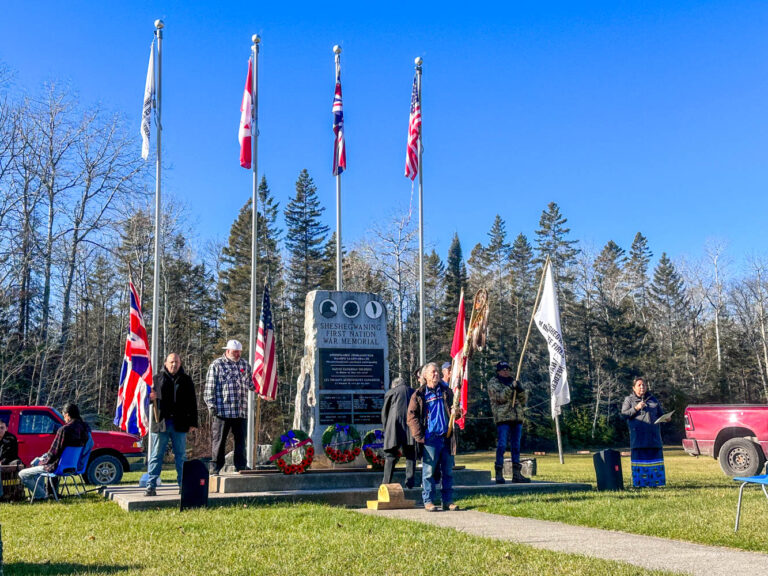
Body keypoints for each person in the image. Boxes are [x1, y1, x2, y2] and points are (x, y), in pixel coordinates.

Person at [145, 353, 199, 497]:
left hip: (180, 425)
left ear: (180, 363)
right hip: (160, 423)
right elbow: (146, 401)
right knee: (156, 455)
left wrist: (193, 422)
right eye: (171, 362)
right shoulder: (156, 379)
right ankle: (150, 485)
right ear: (165, 363)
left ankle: (183, 485)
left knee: (181, 456)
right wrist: (150, 398)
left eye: (176, 362)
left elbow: (192, 402)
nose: (173, 365)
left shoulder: (186, 380)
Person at [407, 362, 459, 512]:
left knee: (448, 472)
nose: (436, 374)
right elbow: (411, 416)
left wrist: (457, 412)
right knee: (428, 472)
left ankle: (447, 501)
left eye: (437, 371)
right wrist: (419, 436)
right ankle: (428, 501)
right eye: (432, 372)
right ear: (425, 376)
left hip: (446, 437)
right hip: (430, 439)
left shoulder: (446, 391)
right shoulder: (419, 394)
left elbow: (454, 412)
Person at [18, 403, 90, 500]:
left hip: (56, 467)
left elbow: (53, 453)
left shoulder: (64, 430)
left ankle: (41, 495)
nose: (64, 418)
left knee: (22, 474)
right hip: (72, 466)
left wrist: (41, 462)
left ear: (67, 415)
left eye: (63, 415)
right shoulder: (84, 429)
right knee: (38, 463)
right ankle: (45, 494)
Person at [205, 339, 254, 474]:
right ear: (227, 351)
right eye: (235, 352)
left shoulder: (245, 365)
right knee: (219, 441)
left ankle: (241, 466)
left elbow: (252, 384)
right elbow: (209, 388)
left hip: (240, 411)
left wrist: (263, 385)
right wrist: (211, 405)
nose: (237, 354)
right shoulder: (217, 365)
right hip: (222, 411)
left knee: (240, 441)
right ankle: (215, 467)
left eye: (239, 352)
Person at [488, 360, 529, 484]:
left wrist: (521, 390)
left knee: (516, 446)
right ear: (498, 371)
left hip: (516, 417)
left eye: (507, 369)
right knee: (502, 445)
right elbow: (499, 398)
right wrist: (510, 388)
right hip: (503, 418)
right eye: (503, 369)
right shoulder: (493, 383)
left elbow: (523, 401)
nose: (506, 371)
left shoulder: (514, 381)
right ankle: (499, 473)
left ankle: (516, 474)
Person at [621, 376, 666, 488]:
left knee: (654, 460)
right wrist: (636, 408)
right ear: (634, 388)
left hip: (653, 437)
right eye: (639, 385)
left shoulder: (653, 399)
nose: (642, 387)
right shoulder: (629, 400)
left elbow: (661, 414)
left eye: (644, 385)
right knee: (640, 461)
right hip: (638, 437)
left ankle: (656, 483)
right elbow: (624, 415)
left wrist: (666, 418)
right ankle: (639, 484)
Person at [381, 376, 416, 488]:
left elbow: (385, 414)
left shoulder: (390, 393)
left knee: (390, 455)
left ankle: (386, 483)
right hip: (410, 428)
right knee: (410, 455)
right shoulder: (413, 392)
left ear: (394, 385)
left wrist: (386, 429)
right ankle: (409, 483)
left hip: (394, 428)